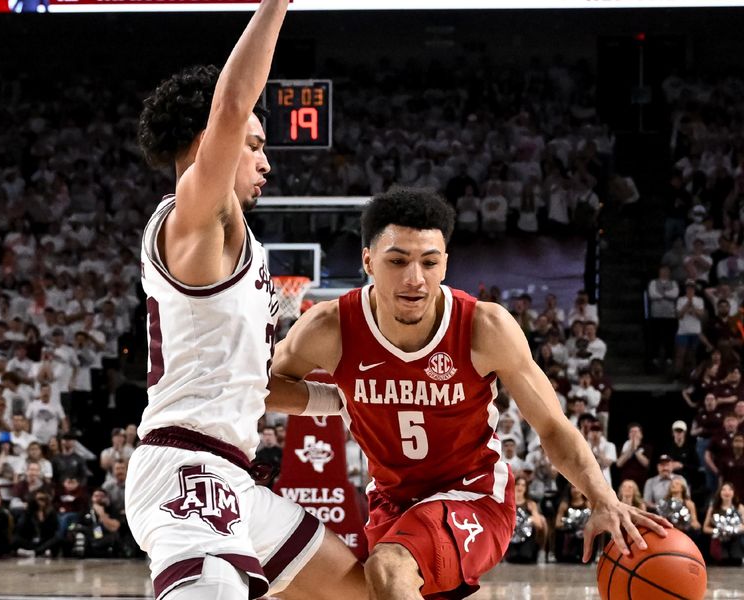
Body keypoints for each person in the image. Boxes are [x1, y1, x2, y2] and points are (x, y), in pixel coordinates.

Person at [267, 188, 669, 599]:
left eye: (429, 261)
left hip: (474, 494)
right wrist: (331, 399)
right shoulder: (330, 327)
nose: (414, 278)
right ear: (368, 260)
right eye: (397, 261)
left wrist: (603, 498)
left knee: (389, 568)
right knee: (299, 585)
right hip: (392, 501)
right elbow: (259, 389)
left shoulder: (484, 327)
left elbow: (551, 426)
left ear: (445, 264)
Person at [125, 2, 365, 600]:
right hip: (184, 471)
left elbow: (254, 385)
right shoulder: (194, 221)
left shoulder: (238, 244)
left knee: (362, 588)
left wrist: (345, 403)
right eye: (254, 145)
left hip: (232, 473)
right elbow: (231, 104)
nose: (266, 160)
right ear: (214, 141)